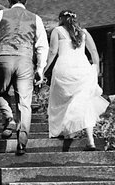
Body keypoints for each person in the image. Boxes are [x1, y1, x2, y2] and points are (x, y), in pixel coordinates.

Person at [0, 0, 48, 153]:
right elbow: (42, 46)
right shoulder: (35, 18)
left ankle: (9, 117)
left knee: (0, 92)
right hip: (25, 60)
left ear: (9, 1)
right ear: (25, 2)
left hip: (4, 57)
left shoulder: (1, 14)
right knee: (25, 103)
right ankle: (22, 143)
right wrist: (40, 68)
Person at [43, 10, 109, 150]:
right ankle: (90, 140)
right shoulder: (83, 32)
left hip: (64, 69)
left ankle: (68, 133)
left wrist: (43, 70)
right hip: (83, 69)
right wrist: (96, 68)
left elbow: (53, 52)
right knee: (85, 103)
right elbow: (94, 51)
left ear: (61, 19)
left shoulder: (57, 31)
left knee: (63, 101)